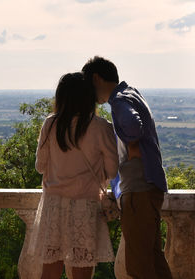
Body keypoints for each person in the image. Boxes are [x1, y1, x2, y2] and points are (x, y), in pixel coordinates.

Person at [82, 56, 173, 279]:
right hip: (150, 186)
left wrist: (131, 145)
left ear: (96, 78)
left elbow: (133, 126)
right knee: (153, 259)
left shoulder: (119, 101)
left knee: (139, 265)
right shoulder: (132, 94)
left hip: (138, 189)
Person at [27, 72, 118, 279]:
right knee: (82, 273)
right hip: (84, 207)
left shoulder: (50, 124)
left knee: (49, 271)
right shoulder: (101, 127)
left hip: (53, 206)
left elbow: (40, 167)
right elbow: (113, 171)